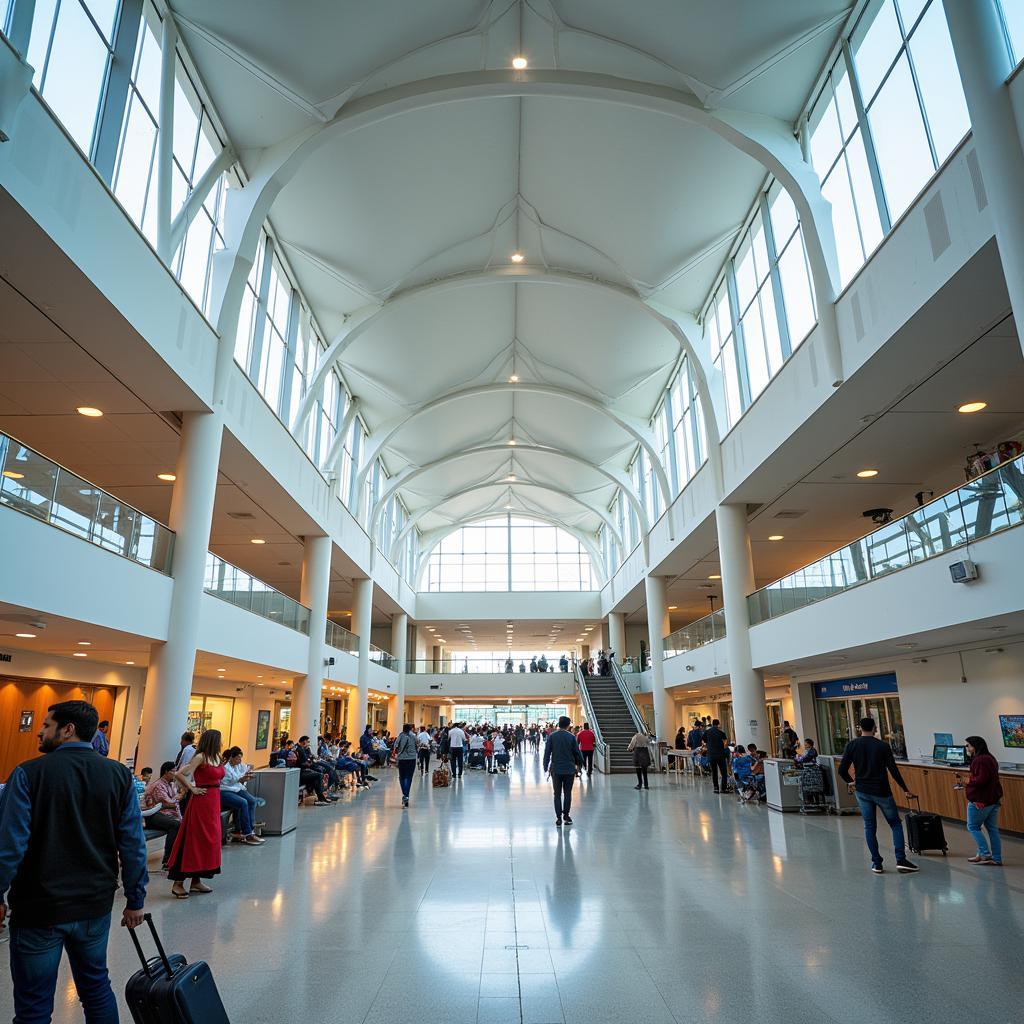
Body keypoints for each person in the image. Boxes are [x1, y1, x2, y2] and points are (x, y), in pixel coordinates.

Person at [0, 700, 147, 1022]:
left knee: (33, 1004)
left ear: (67, 730)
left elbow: (10, 846)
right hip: (94, 906)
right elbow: (133, 844)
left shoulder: (27, 774)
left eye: (46, 725)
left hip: (39, 908)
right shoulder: (118, 775)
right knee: (96, 989)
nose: (39, 731)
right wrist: (135, 899)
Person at [838, 717, 919, 875]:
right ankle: (901, 860)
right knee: (895, 824)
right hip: (881, 791)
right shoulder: (882, 746)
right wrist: (905, 789)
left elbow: (842, 770)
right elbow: (893, 769)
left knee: (869, 826)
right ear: (875, 728)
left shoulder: (852, 745)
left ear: (859, 728)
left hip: (862, 791)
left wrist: (851, 782)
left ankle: (876, 863)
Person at [167, 729, 226, 898]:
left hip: (213, 802)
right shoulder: (200, 757)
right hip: (202, 801)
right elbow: (179, 773)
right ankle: (178, 882)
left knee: (208, 839)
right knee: (194, 838)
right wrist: (192, 788)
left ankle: (196, 880)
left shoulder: (217, 758)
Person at [960, 735, 1003, 865]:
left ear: (975, 746)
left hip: (981, 800)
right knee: (992, 829)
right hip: (993, 799)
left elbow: (981, 780)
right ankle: (996, 858)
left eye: (968, 745)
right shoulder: (990, 758)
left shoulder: (979, 760)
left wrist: (968, 781)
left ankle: (984, 853)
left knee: (973, 827)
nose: (966, 747)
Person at [142, 760, 184, 868]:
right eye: (173, 771)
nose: (175, 774)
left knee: (181, 824)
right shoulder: (158, 785)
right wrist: (179, 796)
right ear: (166, 772)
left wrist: (180, 817)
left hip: (163, 814)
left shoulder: (172, 784)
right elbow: (168, 802)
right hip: (152, 815)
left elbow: (174, 805)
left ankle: (176, 857)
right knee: (175, 825)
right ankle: (168, 860)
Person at [543, 716, 583, 827]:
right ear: (568, 725)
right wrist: (580, 764)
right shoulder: (571, 737)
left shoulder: (552, 736)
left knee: (557, 794)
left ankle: (558, 818)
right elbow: (577, 753)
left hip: (556, 769)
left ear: (558, 724)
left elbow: (547, 752)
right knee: (567, 793)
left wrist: (545, 766)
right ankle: (566, 815)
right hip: (569, 769)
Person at [221, 748, 266, 843]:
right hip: (226, 790)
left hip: (236, 788)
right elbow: (232, 781)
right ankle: (248, 833)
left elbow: (246, 768)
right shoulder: (225, 767)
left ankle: (251, 829)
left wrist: (246, 775)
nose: (239, 761)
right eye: (238, 758)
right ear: (231, 758)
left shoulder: (237, 765)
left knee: (252, 801)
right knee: (243, 802)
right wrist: (242, 779)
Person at [393, 724, 418, 807]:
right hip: (411, 759)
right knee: (409, 777)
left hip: (402, 759)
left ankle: (405, 794)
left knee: (402, 777)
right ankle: (406, 795)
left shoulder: (400, 736)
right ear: (410, 729)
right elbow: (417, 745)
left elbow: (395, 746)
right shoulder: (414, 736)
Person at [704, 718, 730, 793]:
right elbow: (725, 743)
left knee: (714, 772)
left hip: (711, 755)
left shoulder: (707, 732)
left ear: (712, 724)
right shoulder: (721, 733)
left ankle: (716, 788)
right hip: (720, 755)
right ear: (718, 724)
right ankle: (723, 788)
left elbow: (704, 741)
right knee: (724, 772)